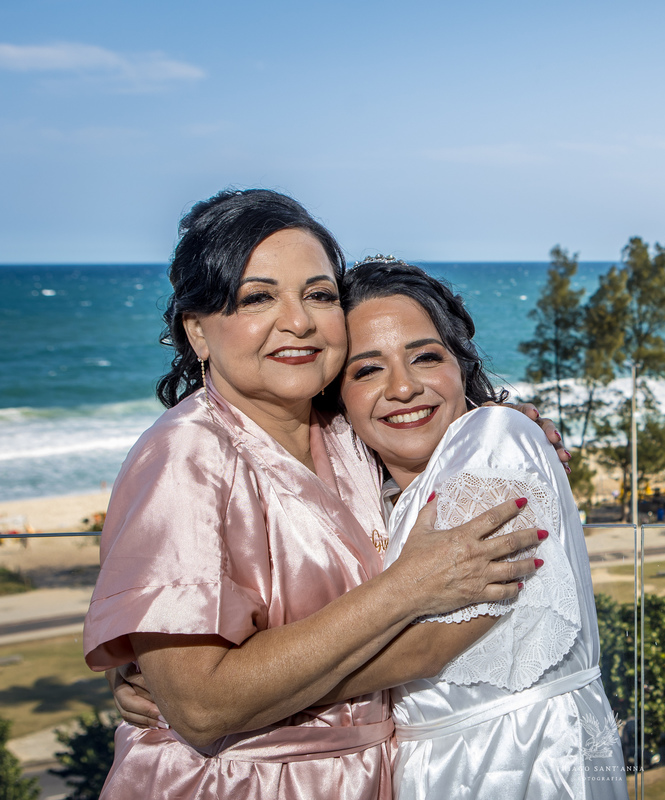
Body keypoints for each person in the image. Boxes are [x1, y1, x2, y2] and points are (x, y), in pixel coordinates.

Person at [83, 190, 555, 799]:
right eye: (258, 297)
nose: (299, 322)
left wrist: (506, 427)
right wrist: (407, 587)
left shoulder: (344, 433)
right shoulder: (185, 458)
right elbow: (201, 708)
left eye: (319, 295)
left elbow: (429, 436)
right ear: (197, 331)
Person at [337, 258, 627, 799]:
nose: (403, 387)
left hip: (524, 764)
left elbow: (426, 648)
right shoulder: (375, 500)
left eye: (425, 357)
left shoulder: (495, 439)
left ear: (461, 365)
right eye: (367, 369)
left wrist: (246, 692)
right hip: (432, 769)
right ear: (338, 395)